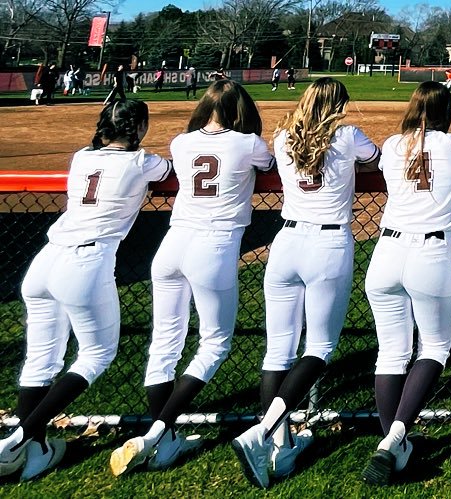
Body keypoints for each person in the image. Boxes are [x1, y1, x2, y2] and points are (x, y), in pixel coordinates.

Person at [109, 80, 275, 476]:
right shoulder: (247, 142)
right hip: (213, 247)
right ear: (240, 110)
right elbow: (267, 166)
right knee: (215, 343)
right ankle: (158, 431)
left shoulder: (182, 143)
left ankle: (163, 443)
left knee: (164, 342)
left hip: (172, 245)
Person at [0, 99, 168, 481]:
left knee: (40, 359)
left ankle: (37, 450)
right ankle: (21, 435)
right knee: (96, 355)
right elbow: (167, 172)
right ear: (138, 128)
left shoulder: (80, 156)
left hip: (45, 261)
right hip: (85, 263)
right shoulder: (142, 162)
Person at [227, 78, 379, 489]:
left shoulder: (281, 137)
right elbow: (374, 158)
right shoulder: (346, 135)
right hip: (328, 243)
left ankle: (280, 444)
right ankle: (262, 433)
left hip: (286, 241)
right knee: (320, 348)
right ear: (336, 106)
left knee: (278, 348)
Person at [361, 81, 451, 486]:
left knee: (392, 352)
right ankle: (395, 438)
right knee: (434, 346)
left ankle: (394, 446)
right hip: (429, 254)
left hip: (386, 251)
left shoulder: (394, 144)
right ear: (446, 111)